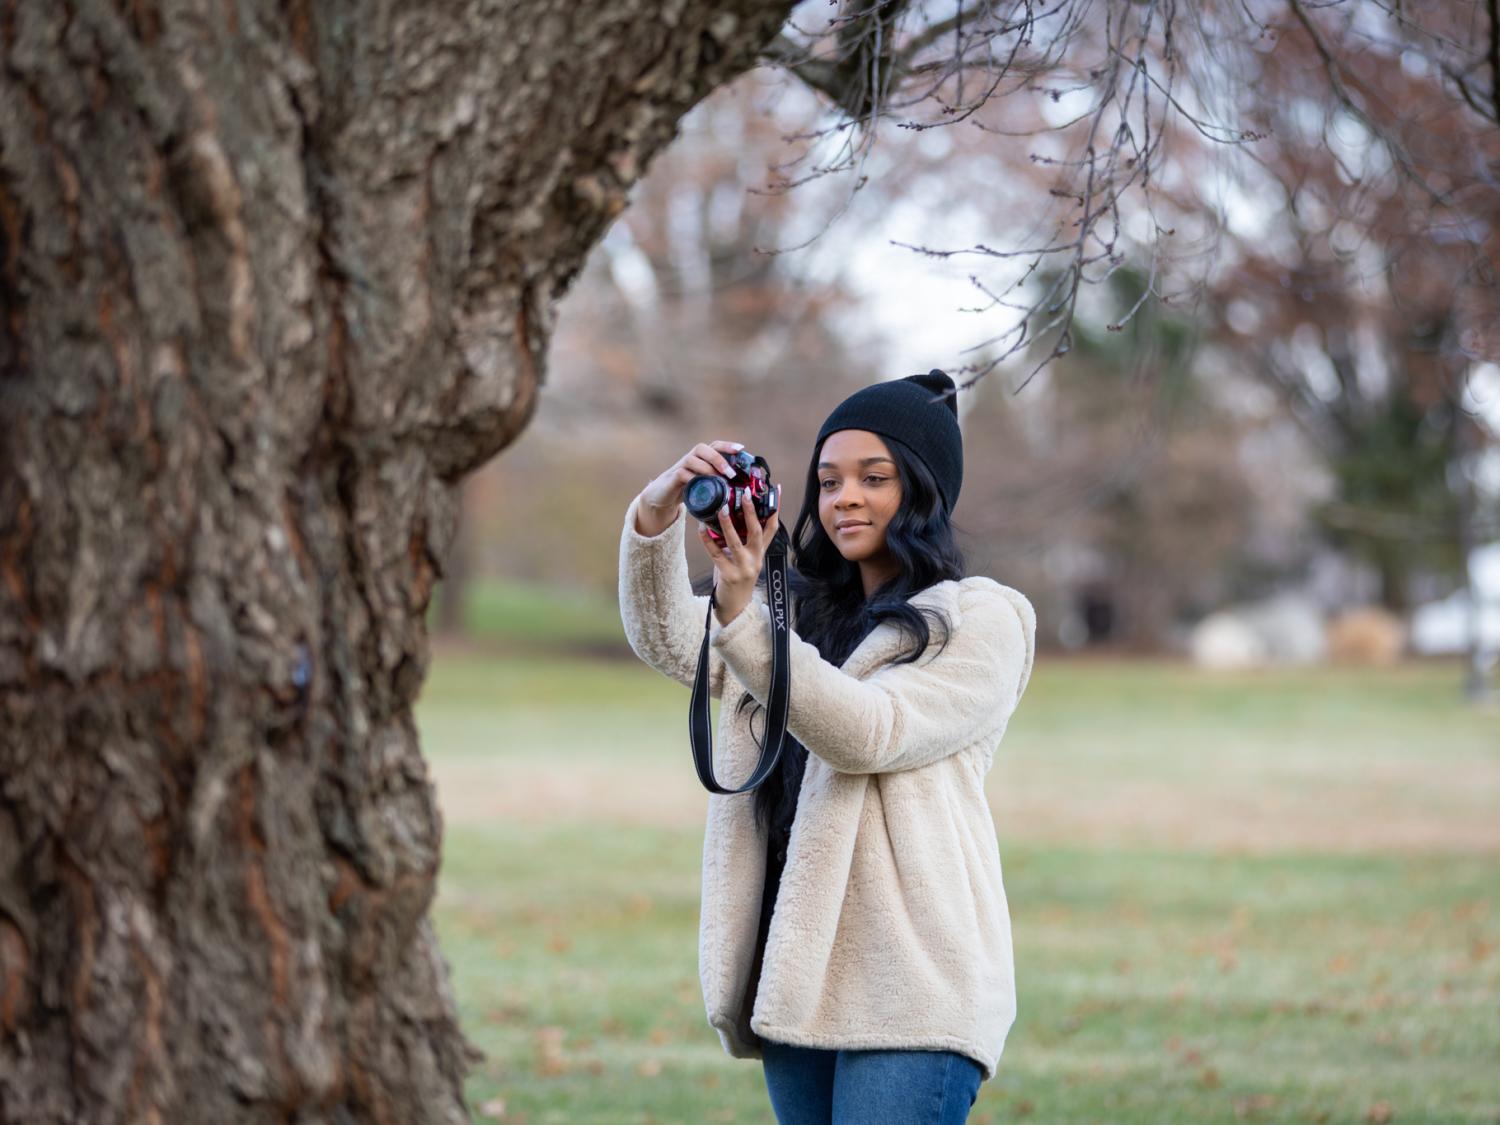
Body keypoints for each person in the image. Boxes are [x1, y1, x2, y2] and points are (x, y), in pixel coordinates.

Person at [618, 370, 1036, 1124]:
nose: (844, 496)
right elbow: (672, 640)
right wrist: (656, 514)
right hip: (797, 979)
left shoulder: (981, 621)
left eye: (874, 478)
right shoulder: (790, 609)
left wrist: (749, 617)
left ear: (923, 489)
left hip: (913, 989)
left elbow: (869, 731)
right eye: (828, 479)